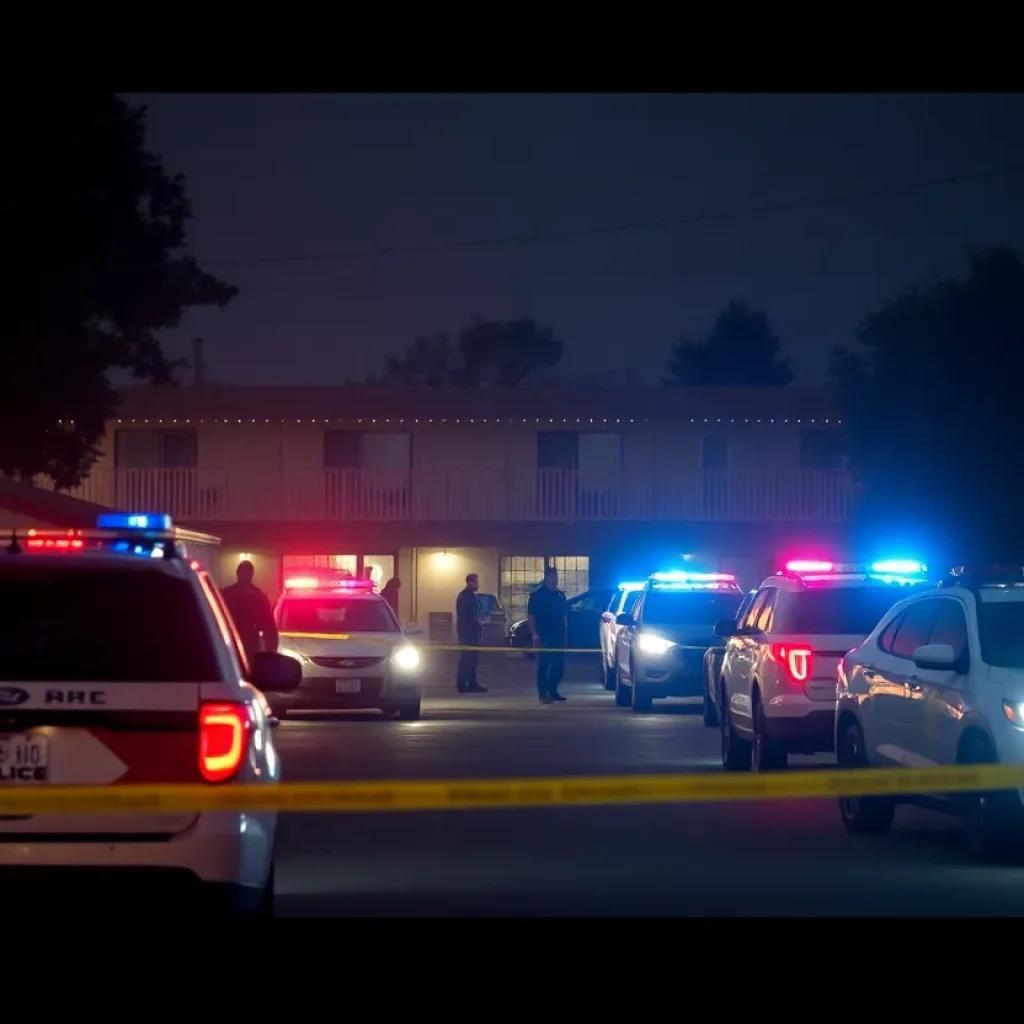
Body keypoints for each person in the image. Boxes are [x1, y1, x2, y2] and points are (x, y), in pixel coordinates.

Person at [221, 560, 279, 663]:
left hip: (245, 642)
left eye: (247, 573)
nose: (245, 576)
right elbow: (269, 626)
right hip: (231, 641)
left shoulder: (257, 596)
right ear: (238, 573)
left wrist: (270, 650)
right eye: (243, 573)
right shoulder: (228, 594)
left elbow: (268, 626)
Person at [528, 566, 569, 704]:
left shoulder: (560, 595)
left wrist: (566, 632)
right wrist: (534, 634)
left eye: (557, 577)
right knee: (543, 665)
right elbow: (531, 616)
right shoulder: (537, 595)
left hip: (558, 634)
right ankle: (543, 693)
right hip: (543, 634)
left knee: (559, 665)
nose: (556, 579)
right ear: (546, 578)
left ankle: (553, 690)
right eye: (553, 577)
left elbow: (564, 615)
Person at [455, 573, 487, 694]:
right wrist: (478, 624)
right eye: (476, 582)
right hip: (466, 632)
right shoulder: (464, 597)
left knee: (473, 658)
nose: (477, 585)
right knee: (466, 658)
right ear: (469, 582)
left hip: (472, 631)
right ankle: (462, 684)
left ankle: (472, 682)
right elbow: (468, 616)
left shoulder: (471, 596)